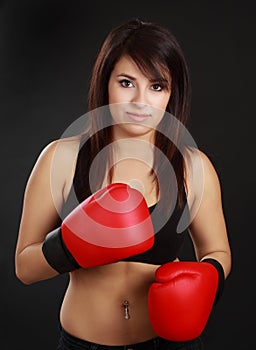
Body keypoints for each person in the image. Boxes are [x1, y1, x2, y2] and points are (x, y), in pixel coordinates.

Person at [15, 19, 232, 350]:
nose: (141, 101)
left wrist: (208, 278)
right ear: (106, 83)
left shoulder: (193, 167)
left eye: (157, 86)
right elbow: (24, 268)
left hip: (167, 343)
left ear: (172, 94)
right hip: (83, 343)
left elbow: (217, 251)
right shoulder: (62, 158)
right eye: (127, 83)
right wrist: (70, 248)